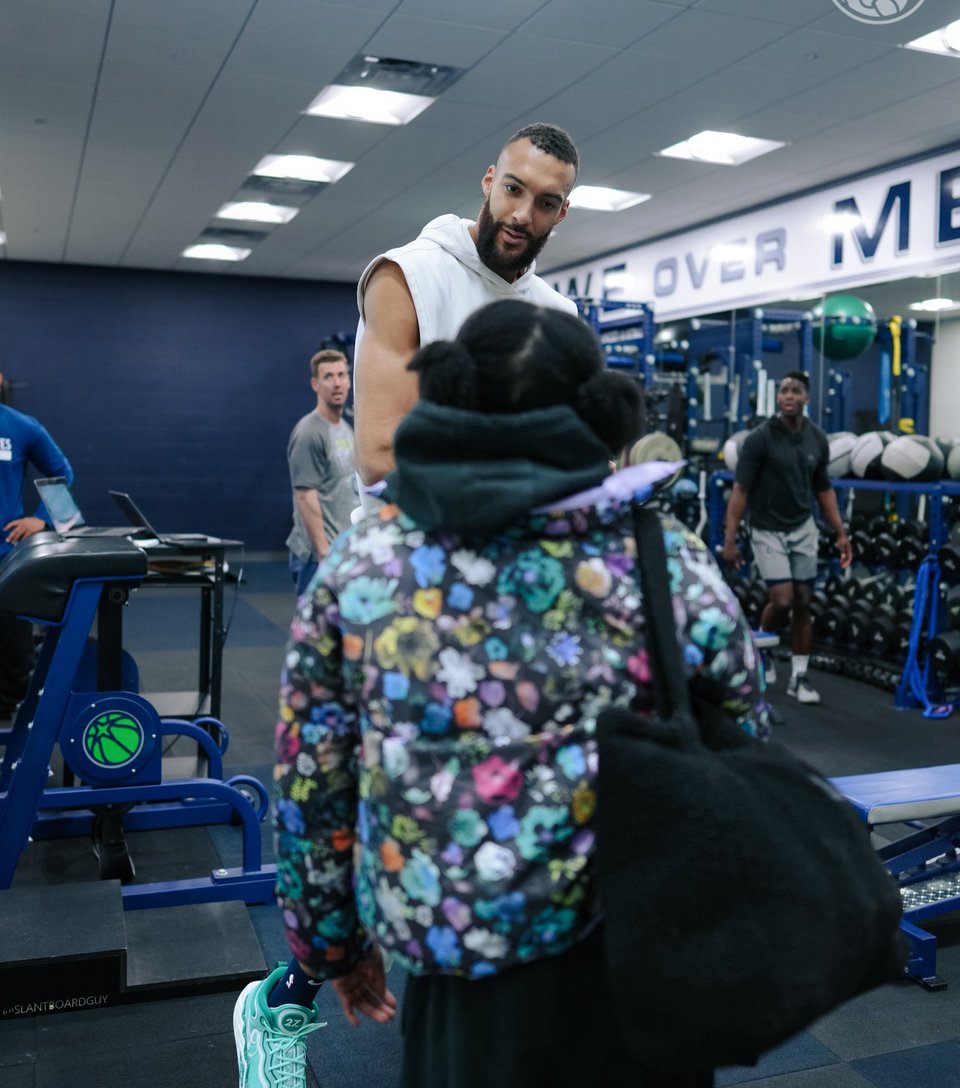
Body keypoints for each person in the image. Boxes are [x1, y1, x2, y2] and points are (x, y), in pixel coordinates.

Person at [234, 300, 769, 1088]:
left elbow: (313, 784)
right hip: (642, 960)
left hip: (464, 981)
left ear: (448, 402)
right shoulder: (669, 560)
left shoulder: (365, 566)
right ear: (598, 412)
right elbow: (745, 756)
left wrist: (332, 946)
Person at [352, 121, 580, 498]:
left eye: (546, 203)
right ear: (489, 181)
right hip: (409, 544)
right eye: (513, 189)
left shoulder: (558, 313)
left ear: (561, 214)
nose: (523, 214)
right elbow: (379, 458)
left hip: (518, 545)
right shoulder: (406, 276)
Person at [721, 369, 852, 706]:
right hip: (767, 529)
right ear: (778, 398)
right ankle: (763, 653)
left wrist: (841, 533)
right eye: (783, 391)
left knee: (804, 601)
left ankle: (799, 677)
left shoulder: (817, 439)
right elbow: (740, 491)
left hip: (803, 528)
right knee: (781, 600)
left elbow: (823, 490)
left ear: (807, 398)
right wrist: (730, 539)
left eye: (795, 391)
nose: (788, 396)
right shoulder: (760, 439)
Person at [0, 374, 74, 717]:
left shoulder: (21, 427)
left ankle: (5, 716)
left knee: (12, 653)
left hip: (6, 558)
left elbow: (62, 472)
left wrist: (42, 518)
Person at [285, 350, 357, 597]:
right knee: (314, 633)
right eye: (328, 377)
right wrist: (323, 552)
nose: (337, 383)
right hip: (318, 556)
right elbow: (305, 496)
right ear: (315, 384)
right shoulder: (309, 432)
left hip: (342, 550)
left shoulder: (345, 428)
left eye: (341, 375)